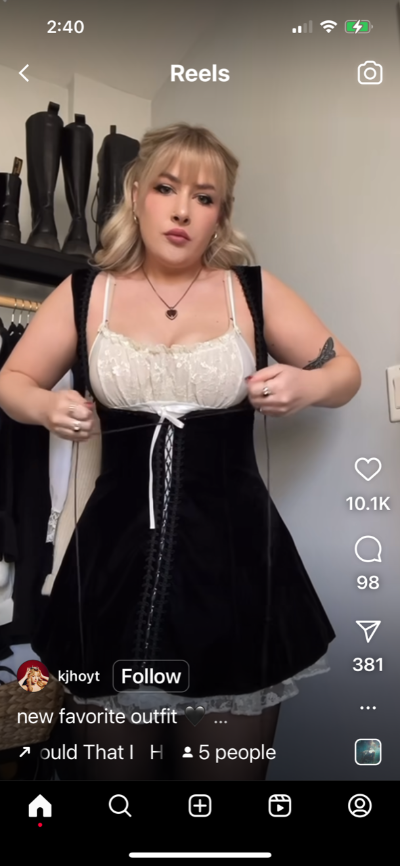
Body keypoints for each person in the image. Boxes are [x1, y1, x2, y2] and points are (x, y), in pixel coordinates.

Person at [0, 122, 361, 780]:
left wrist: (307, 385)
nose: (182, 210)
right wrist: (46, 406)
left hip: (238, 569)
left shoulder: (251, 291)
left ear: (221, 214)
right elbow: (11, 381)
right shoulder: (85, 292)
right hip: (111, 568)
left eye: (205, 197)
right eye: (166, 188)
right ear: (136, 193)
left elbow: (345, 373)